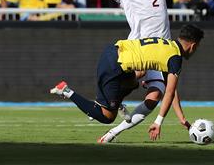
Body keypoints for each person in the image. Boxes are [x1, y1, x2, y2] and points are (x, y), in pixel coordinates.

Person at [89, 0, 198, 143]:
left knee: (157, 94)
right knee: (134, 77)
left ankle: (114, 132)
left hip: (162, 49)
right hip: (138, 47)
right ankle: (116, 100)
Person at [50, 24, 204, 141]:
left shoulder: (167, 44)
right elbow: (169, 92)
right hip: (114, 66)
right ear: (193, 45)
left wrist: (181, 118)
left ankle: (116, 104)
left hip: (113, 51)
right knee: (107, 117)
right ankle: (66, 91)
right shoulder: (175, 58)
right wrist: (158, 122)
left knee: (133, 83)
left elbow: (169, 90)